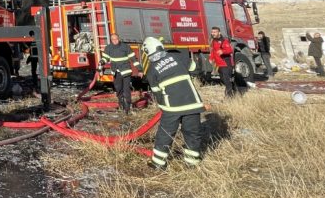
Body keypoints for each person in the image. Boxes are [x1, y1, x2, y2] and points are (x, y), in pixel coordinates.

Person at [142, 36, 205, 170]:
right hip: (192, 103)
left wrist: (163, 106)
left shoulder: (151, 70)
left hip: (172, 107)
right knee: (192, 133)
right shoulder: (178, 57)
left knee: (165, 133)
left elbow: (157, 92)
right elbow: (195, 69)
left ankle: (158, 163)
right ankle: (192, 163)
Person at [100, 33, 141, 112]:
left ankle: (127, 108)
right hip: (116, 72)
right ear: (111, 40)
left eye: (116, 39)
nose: (115, 41)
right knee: (118, 89)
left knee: (126, 90)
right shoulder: (108, 48)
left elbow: (134, 59)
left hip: (126, 72)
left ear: (119, 39)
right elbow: (105, 58)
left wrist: (140, 70)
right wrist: (102, 62)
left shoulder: (125, 47)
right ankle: (121, 105)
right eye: (113, 39)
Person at [209, 27, 235, 97]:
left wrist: (223, 51)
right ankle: (232, 86)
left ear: (219, 33)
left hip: (225, 63)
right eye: (212, 32)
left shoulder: (224, 41)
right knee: (222, 79)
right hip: (219, 64)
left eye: (215, 32)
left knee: (226, 80)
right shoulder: (213, 41)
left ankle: (229, 96)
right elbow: (213, 51)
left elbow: (230, 50)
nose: (213, 33)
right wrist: (211, 58)